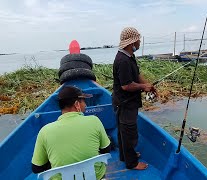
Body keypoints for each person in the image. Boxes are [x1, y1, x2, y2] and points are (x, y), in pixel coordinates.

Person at [31, 86, 111, 180]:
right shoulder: (94, 121)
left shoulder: (44, 131)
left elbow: (36, 168)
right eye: (84, 101)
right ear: (77, 104)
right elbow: (106, 150)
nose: (85, 105)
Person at [112, 27, 156, 170]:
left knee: (123, 131)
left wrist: (146, 84)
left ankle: (125, 156)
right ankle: (132, 163)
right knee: (128, 132)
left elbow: (136, 75)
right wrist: (143, 87)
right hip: (125, 103)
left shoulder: (129, 55)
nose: (140, 42)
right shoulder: (123, 60)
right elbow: (126, 86)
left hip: (125, 102)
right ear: (132, 43)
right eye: (138, 40)